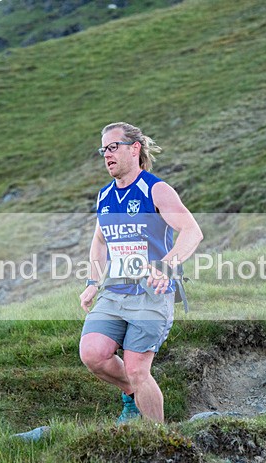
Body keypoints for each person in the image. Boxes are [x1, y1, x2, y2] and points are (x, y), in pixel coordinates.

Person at [78, 122, 203, 424]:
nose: (107, 155)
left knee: (137, 369)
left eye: (113, 147)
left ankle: (160, 438)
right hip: (114, 294)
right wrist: (93, 282)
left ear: (134, 149)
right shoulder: (105, 196)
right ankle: (132, 396)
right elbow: (100, 241)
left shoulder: (155, 189)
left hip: (151, 295)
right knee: (93, 354)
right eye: (103, 150)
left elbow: (192, 231)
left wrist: (167, 265)